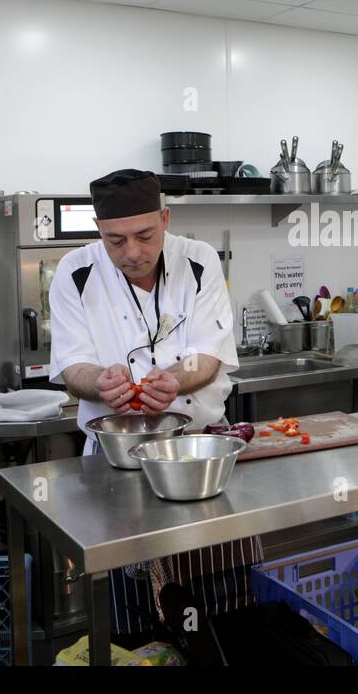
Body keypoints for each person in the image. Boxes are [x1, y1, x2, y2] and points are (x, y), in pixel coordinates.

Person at [48, 168, 260, 640]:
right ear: (99, 233)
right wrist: (100, 384)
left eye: (145, 236)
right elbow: (70, 366)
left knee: (228, 611)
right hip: (116, 468)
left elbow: (210, 355)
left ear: (165, 218)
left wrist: (178, 379)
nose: (133, 253)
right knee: (133, 619)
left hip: (202, 457)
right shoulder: (75, 272)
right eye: (115, 241)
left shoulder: (200, 260)